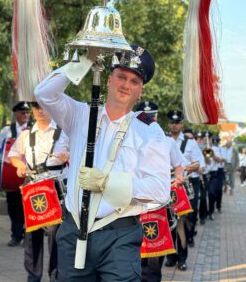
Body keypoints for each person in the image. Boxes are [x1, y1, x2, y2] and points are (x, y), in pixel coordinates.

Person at [34, 46, 171, 282]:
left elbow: (160, 190)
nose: (126, 85)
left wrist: (110, 183)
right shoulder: (79, 114)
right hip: (74, 230)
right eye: (121, 76)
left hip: (119, 234)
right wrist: (87, 59)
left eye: (134, 81)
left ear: (140, 91)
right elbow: (44, 93)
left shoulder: (149, 131)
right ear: (108, 80)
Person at [9, 103, 69, 282]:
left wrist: (68, 155)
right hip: (34, 185)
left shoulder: (64, 131)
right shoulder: (26, 134)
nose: (40, 111)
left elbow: (80, 153)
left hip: (56, 185)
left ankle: (55, 274)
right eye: (36, 107)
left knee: (55, 234)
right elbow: (14, 155)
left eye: (43, 106)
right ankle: (33, 275)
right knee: (32, 233)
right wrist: (19, 166)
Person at [135, 101, 185, 282]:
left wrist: (178, 177)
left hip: (158, 207)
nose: (148, 119)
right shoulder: (128, 137)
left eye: (151, 116)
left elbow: (179, 165)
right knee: (137, 257)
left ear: (155, 116)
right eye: (143, 116)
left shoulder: (167, 140)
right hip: (135, 206)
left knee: (155, 261)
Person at [0, 101, 31, 246]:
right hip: (11, 175)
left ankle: (28, 234)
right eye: (23, 112)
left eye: (27, 112)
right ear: (16, 114)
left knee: (29, 204)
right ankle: (16, 235)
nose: (26, 115)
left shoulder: (34, 128)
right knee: (13, 205)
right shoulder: (7, 131)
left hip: (29, 174)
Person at [164, 110, 204, 271]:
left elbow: (199, 163)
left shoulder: (190, 143)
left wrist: (183, 168)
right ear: (169, 124)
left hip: (182, 186)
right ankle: (170, 256)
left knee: (181, 222)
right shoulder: (162, 140)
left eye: (177, 122)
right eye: (172, 122)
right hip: (165, 186)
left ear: (182, 124)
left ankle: (182, 257)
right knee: (168, 221)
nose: (174, 125)